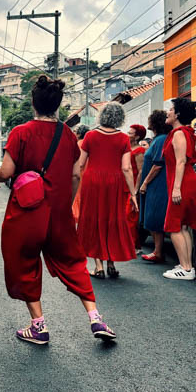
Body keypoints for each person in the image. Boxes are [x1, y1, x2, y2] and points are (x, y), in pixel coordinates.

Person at [0, 75, 116, 345]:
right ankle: (96, 318)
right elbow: (75, 176)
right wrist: (65, 204)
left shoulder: (20, 132)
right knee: (72, 262)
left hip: (26, 212)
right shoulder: (68, 135)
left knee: (24, 262)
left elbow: (8, 170)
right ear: (58, 105)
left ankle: (38, 326)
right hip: (58, 212)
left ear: (33, 103)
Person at [76, 102, 138, 279]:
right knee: (112, 219)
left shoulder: (90, 136)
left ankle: (98, 266)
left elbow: (80, 164)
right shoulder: (123, 139)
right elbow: (126, 168)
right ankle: (111, 263)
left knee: (94, 219)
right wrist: (133, 193)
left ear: (102, 116)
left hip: (93, 181)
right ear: (120, 118)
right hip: (115, 182)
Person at [162, 97, 196, 281]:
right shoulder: (184, 132)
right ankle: (187, 267)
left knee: (175, 226)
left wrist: (176, 188)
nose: (168, 112)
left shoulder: (179, 133)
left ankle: (186, 268)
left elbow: (181, 161)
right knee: (183, 226)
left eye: (170, 109)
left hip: (183, 182)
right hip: (187, 181)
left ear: (177, 114)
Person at [137, 110, 172, 264]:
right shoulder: (158, 139)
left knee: (154, 217)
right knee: (151, 217)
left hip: (156, 184)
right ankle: (157, 251)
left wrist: (145, 183)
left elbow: (158, 164)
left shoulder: (160, 140)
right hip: (154, 184)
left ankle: (158, 252)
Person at [127, 124, 147, 255]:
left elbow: (140, 172)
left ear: (137, 136)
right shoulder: (127, 148)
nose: (127, 134)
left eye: (130, 133)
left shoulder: (139, 150)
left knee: (131, 216)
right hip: (125, 184)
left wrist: (135, 189)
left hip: (133, 185)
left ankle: (134, 245)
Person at [71, 124, 89, 226]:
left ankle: (77, 218)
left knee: (77, 197)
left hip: (79, 173)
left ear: (79, 134)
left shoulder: (78, 144)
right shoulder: (90, 143)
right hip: (89, 173)